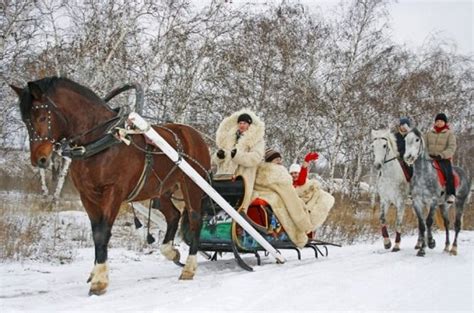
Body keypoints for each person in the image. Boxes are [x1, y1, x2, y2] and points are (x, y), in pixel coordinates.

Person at [213, 109, 265, 210]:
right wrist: (219, 156)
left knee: (238, 207)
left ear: (249, 125)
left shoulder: (256, 140)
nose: (242, 125)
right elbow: (216, 160)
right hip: (223, 178)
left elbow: (256, 158)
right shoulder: (229, 139)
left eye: (244, 123)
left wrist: (237, 155)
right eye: (240, 123)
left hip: (242, 180)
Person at [289, 152, 334, 232]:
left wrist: (306, 161)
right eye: (291, 173)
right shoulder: (291, 184)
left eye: (295, 173)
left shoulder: (301, 182)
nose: (293, 175)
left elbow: (303, 172)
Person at [425, 113, 457, 204]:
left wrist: (442, 155)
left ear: (445, 122)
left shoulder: (449, 134)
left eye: (441, 121)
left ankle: (451, 194)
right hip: (429, 158)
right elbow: (424, 146)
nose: (439, 123)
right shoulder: (428, 134)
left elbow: (452, 148)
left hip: (443, 159)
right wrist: (426, 154)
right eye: (437, 121)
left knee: (448, 173)